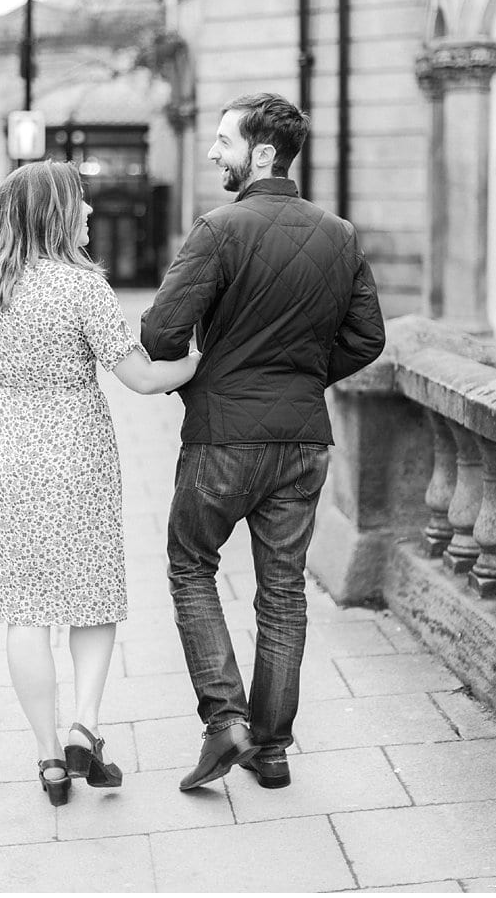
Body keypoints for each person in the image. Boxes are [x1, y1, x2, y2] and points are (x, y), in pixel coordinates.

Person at [141, 93, 384, 793]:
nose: (213, 151)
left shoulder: (217, 230)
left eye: (223, 141)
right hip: (302, 439)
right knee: (282, 592)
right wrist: (304, 378)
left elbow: (159, 333)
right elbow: (366, 337)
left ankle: (225, 722)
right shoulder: (338, 233)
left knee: (190, 566)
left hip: (222, 437)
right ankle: (270, 750)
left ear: (263, 154)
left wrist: (204, 375)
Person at [0, 160, 200, 808]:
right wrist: (198, 360)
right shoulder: (81, 287)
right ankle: (82, 725)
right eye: (80, 202)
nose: (89, 212)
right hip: (76, 454)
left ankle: (47, 758)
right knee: (89, 595)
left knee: (25, 611)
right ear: (55, 212)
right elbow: (140, 378)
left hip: (5, 457)